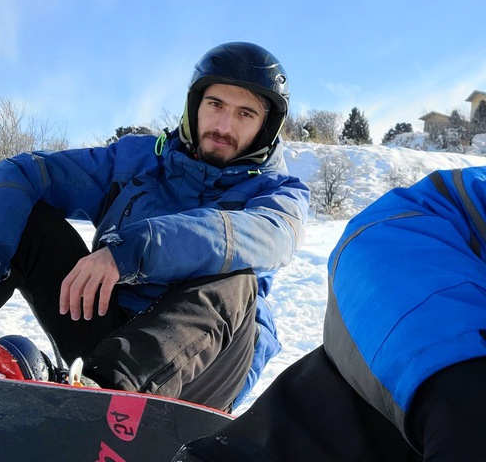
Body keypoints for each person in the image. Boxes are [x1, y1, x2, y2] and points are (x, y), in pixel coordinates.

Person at [0, 41, 309, 411]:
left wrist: (129, 251)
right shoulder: (135, 161)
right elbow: (24, 173)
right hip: (107, 337)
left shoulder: (281, 194)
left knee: (236, 278)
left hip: (204, 367)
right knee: (29, 223)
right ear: (194, 105)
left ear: (266, 127)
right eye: (215, 104)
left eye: (245, 114)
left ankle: (104, 397)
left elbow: (257, 236)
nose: (224, 125)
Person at [173, 165, 486, 460]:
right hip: (413, 283)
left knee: (232, 286)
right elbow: (406, 218)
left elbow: (266, 237)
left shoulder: (278, 189)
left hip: (232, 329)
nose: (225, 130)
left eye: (245, 123)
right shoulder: (142, 162)